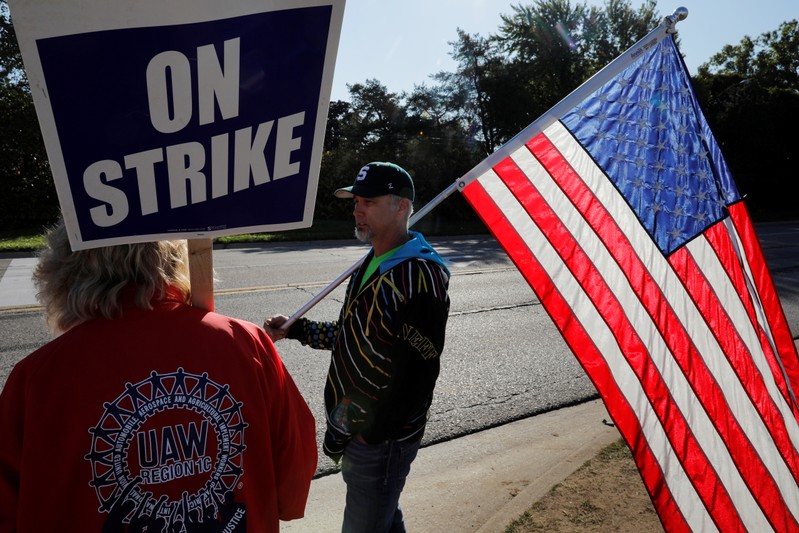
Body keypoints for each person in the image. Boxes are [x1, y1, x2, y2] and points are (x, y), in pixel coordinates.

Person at [0, 219, 317, 533]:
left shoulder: (37, 379)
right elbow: (293, 478)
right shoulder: (246, 343)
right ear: (173, 259)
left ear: (65, 269)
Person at [264, 161, 451, 532]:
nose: (356, 210)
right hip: (357, 429)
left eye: (367, 201)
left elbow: (420, 375)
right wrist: (297, 330)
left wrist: (373, 434)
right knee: (382, 515)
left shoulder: (419, 276)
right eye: (355, 202)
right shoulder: (373, 261)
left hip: (381, 440)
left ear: (401, 206)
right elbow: (355, 337)